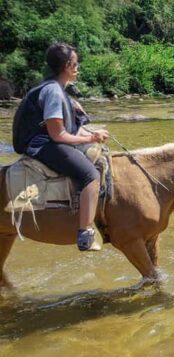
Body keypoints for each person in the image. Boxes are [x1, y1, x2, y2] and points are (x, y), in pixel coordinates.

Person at [12, 43, 109, 251]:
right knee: (91, 176)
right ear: (67, 65)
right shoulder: (54, 93)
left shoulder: (56, 88)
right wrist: (90, 138)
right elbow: (58, 135)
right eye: (75, 63)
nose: (78, 67)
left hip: (48, 140)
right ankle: (85, 234)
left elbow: (71, 130)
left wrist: (92, 134)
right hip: (43, 145)